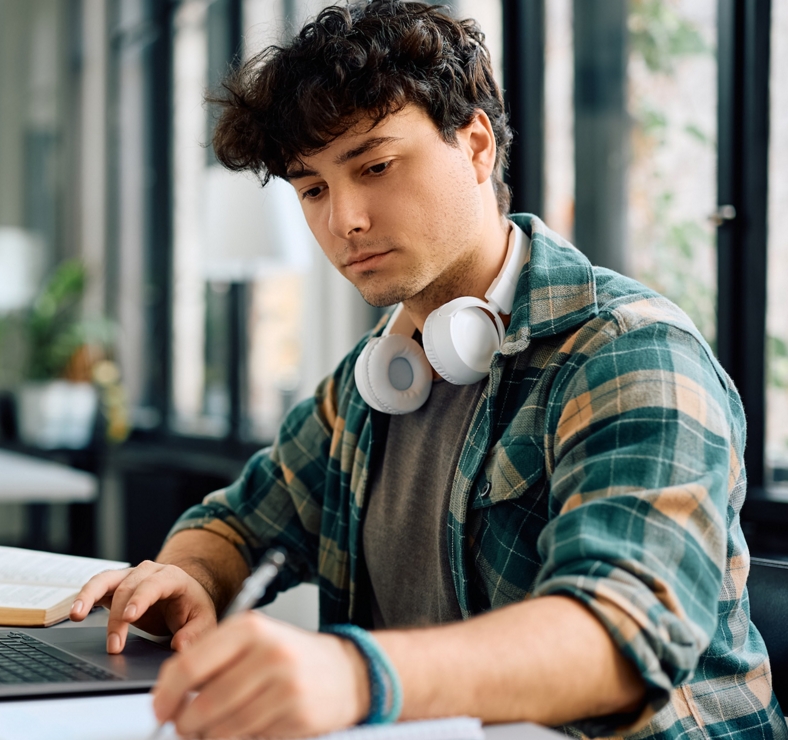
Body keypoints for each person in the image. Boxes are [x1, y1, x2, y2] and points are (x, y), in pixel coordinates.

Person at [70, 2, 784, 738]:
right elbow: (236, 522)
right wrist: (188, 576)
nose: (343, 219)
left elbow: (623, 636)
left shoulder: (630, 353)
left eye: (375, 166)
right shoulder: (374, 381)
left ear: (476, 147)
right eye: (312, 188)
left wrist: (357, 675)